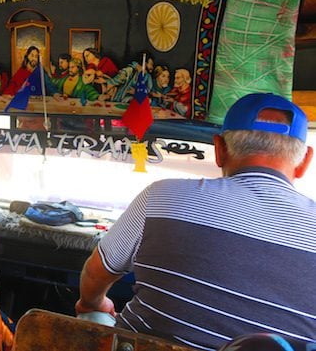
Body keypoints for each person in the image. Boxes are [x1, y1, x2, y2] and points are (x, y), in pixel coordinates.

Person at [76, 93, 315, 350]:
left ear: (220, 150)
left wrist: (94, 304)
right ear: (304, 161)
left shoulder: (162, 196)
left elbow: (96, 272)